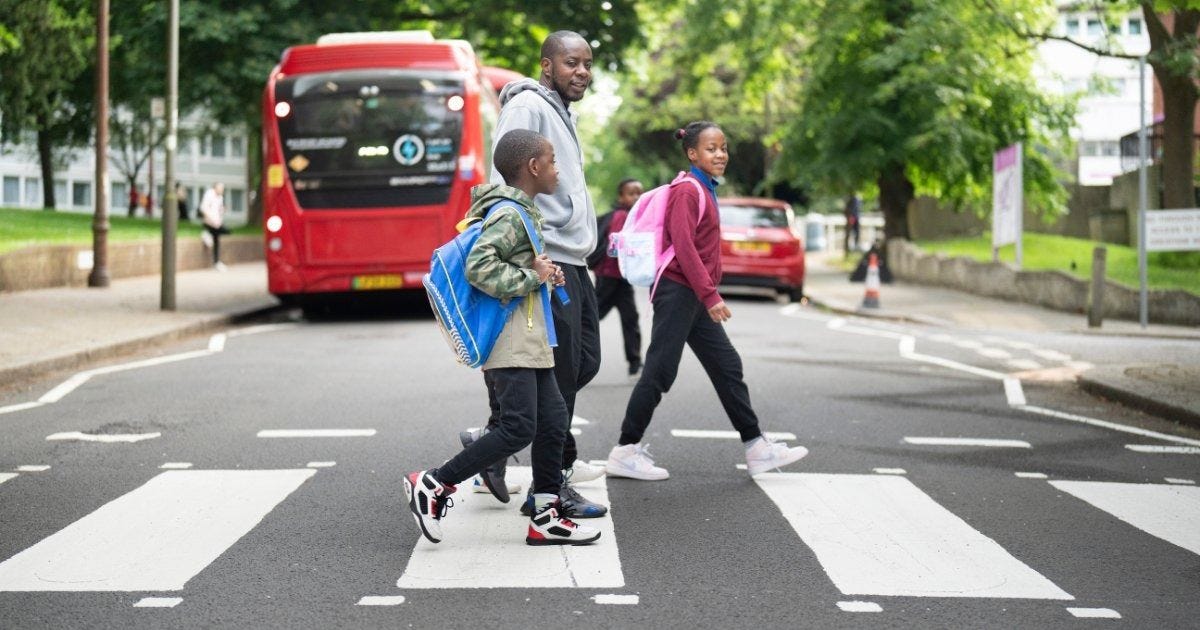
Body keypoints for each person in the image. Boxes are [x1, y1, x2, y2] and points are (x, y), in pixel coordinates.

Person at [403, 129, 600, 547]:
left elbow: (511, 267)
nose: (556, 169)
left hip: (530, 336)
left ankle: (546, 514)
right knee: (518, 427)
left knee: (552, 421)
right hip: (511, 339)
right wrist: (532, 276)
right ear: (533, 167)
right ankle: (435, 484)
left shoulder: (522, 213)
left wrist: (543, 275)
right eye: (551, 161)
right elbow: (480, 268)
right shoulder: (509, 214)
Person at [604, 121, 810, 481]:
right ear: (693, 153)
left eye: (724, 148)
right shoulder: (688, 190)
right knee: (660, 371)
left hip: (692, 294)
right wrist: (710, 294)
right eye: (712, 149)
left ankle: (756, 447)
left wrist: (705, 293)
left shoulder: (704, 188)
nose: (720, 155)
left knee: (727, 366)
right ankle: (625, 450)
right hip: (678, 291)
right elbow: (683, 247)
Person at [461, 30, 606, 519]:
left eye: (587, 63)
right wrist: (534, 245)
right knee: (560, 378)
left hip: (574, 260)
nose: (581, 71)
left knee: (584, 363)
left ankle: (493, 441)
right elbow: (511, 174)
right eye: (571, 62)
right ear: (547, 66)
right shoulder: (527, 106)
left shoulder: (560, 112)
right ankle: (551, 484)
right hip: (551, 258)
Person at [592, 178, 644, 376]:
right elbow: (614, 246)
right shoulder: (622, 216)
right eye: (631, 193)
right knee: (592, 317)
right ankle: (576, 354)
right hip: (609, 276)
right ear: (621, 197)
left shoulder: (632, 215)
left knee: (629, 317)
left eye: (639, 192)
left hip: (620, 278)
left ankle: (635, 361)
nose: (636, 197)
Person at [199, 182, 231, 270]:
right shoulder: (209, 194)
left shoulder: (220, 198)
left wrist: (222, 211)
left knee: (219, 238)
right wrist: (210, 220)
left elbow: (218, 211)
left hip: (216, 223)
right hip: (209, 222)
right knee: (218, 237)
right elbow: (204, 208)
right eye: (220, 188)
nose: (222, 190)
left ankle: (216, 262)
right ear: (215, 187)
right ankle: (206, 233)